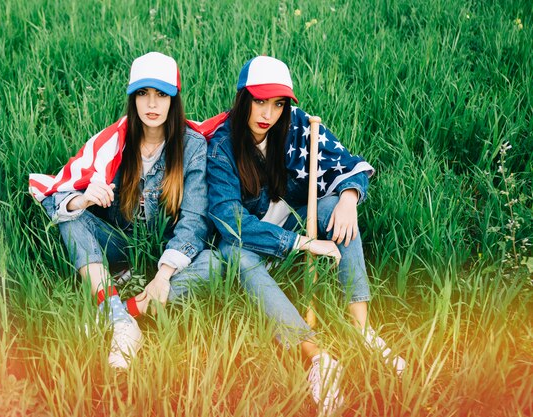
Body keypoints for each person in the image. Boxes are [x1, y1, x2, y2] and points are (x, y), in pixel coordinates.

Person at [205, 56, 406, 412]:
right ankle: (317, 358)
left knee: (333, 208)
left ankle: (361, 329)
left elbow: (349, 162)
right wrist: (302, 243)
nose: (268, 113)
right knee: (231, 252)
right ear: (243, 98)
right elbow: (229, 220)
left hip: (290, 221)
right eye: (260, 101)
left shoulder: (299, 126)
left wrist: (348, 197)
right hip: (252, 239)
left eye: (278, 103)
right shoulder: (222, 145)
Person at [29, 52, 218, 369]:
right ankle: (119, 318)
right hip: (124, 242)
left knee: (215, 262)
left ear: (174, 99)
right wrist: (85, 199)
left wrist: (163, 275)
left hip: (171, 254)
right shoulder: (114, 142)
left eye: (161, 94)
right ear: (133, 98)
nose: (152, 105)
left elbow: (194, 221)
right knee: (72, 219)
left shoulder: (192, 145)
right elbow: (55, 194)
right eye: (143, 94)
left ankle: (124, 312)